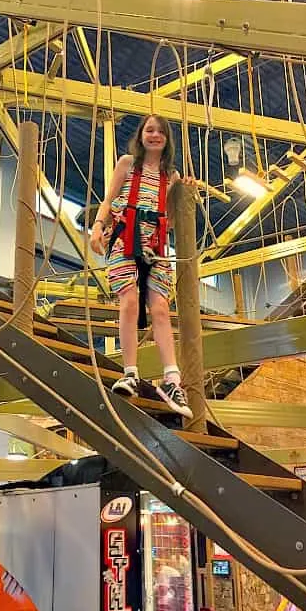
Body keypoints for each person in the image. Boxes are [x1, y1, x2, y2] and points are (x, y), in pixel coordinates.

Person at [90, 113, 193, 418]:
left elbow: (170, 219)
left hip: (156, 247)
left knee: (160, 308)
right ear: (141, 135)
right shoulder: (127, 164)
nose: (154, 135)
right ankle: (130, 372)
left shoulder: (170, 177)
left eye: (160, 132)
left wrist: (185, 191)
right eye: (150, 130)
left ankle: (172, 379)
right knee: (130, 301)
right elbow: (109, 200)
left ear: (166, 139)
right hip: (125, 239)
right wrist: (98, 226)